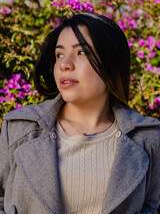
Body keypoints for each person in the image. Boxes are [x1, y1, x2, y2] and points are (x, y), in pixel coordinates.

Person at [0, 13, 160, 214]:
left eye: (81, 52)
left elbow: (149, 207)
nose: (65, 64)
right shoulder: (19, 129)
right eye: (59, 55)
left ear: (111, 65)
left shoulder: (147, 137)